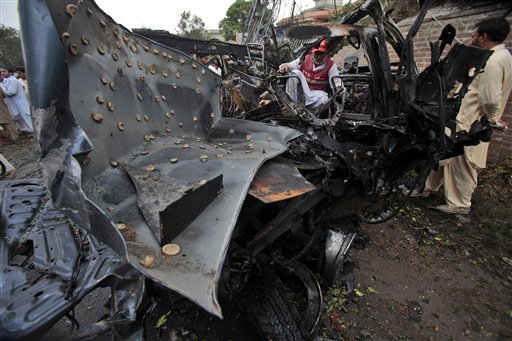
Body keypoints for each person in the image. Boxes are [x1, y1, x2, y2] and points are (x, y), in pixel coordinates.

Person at [421, 17, 512, 214]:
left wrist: (492, 118)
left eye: (473, 36)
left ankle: (459, 204)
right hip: (461, 116)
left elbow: (489, 98)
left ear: (483, 36)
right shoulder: (503, 56)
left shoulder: (493, 60)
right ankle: (426, 187)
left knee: (461, 161)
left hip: (469, 120)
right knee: (442, 154)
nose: (470, 39)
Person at [278, 39, 342, 114]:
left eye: (321, 54)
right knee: (295, 73)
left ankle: (308, 114)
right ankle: (292, 106)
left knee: (325, 99)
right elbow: (291, 65)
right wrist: (285, 66)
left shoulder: (331, 65)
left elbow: (336, 82)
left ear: (326, 53)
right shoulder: (305, 58)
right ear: (312, 51)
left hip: (315, 95)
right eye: (316, 54)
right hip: (302, 92)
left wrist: (339, 90)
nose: (319, 57)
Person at [0, 67, 33, 133]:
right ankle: (24, 130)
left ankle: (31, 130)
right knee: (17, 118)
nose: (3, 73)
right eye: (2, 72)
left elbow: (11, 92)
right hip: (12, 104)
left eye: (4, 71)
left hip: (19, 103)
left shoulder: (12, 80)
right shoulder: (6, 81)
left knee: (25, 118)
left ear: (10, 73)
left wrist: (2, 92)